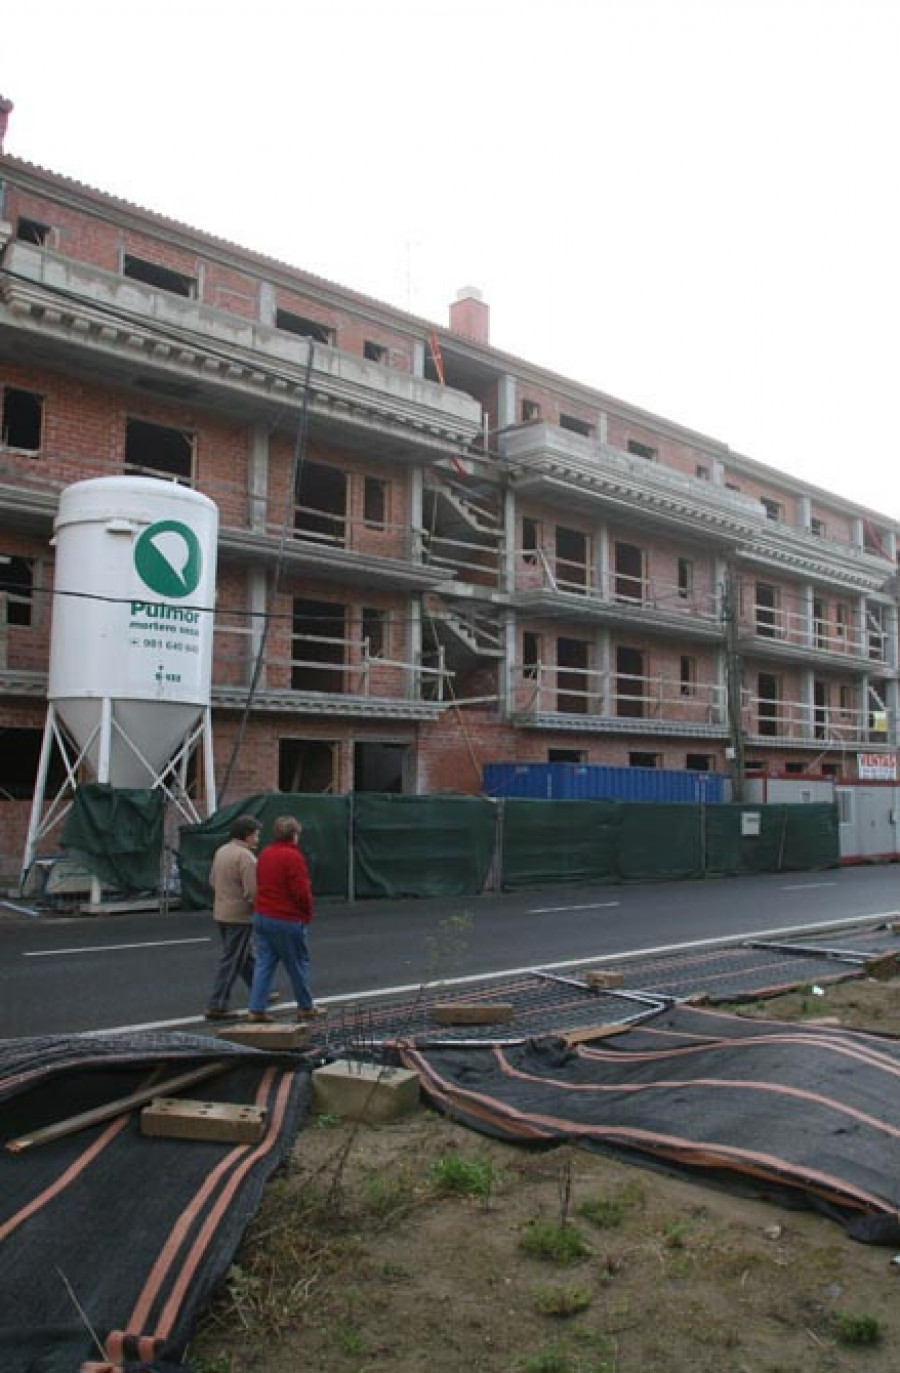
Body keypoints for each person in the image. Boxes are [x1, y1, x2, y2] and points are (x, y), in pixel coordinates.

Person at [248, 814, 322, 1023]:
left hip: (263, 914)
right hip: (285, 917)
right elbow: (301, 891)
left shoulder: (265, 853)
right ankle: (305, 1005)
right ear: (294, 835)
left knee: (264, 963)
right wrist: (306, 914)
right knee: (297, 962)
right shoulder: (293, 857)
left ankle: (256, 1007)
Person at [204, 814, 263, 1020]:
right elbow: (252, 891)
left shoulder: (222, 851)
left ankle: (260, 989)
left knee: (243, 955)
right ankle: (217, 1004)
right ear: (246, 835)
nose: (257, 839)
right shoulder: (246, 857)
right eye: (256, 835)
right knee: (233, 959)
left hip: (221, 911)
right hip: (240, 915)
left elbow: (212, 880)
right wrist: (261, 911)